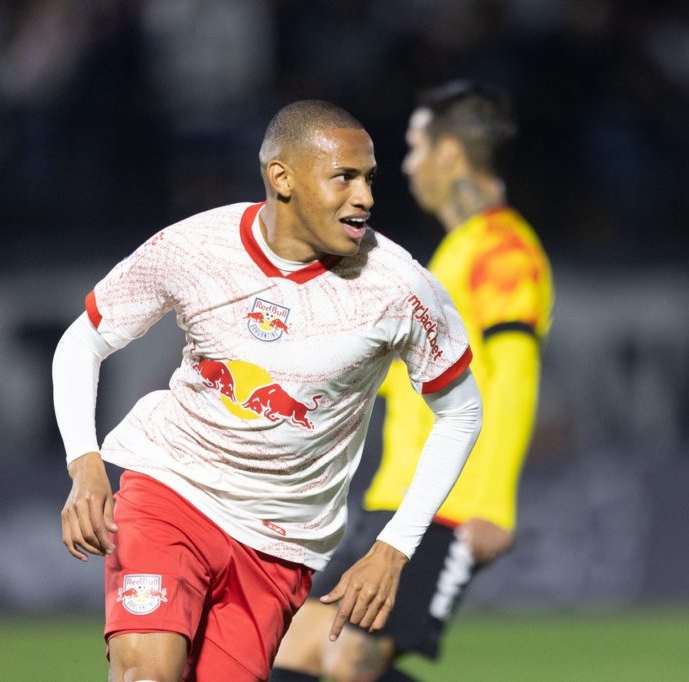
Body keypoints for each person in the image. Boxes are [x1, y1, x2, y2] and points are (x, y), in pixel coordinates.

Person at [52, 100, 483, 682]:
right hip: (173, 489)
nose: (366, 198)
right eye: (344, 178)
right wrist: (85, 462)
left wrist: (393, 548)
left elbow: (461, 412)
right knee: (145, 674)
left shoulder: (400, 287)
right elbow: (83, 342)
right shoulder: (196, 248)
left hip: (281, 541)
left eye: (369, 178)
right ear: (283, 178)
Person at [271, 82, 554, 682]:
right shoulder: (455, 253)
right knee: (293, 650)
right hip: (396, 498)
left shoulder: (503, 251)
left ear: (450, 154)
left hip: (452, 504)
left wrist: (494, 503)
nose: (406, 165)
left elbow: (515, 374)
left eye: (415, 147)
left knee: (353, 661)